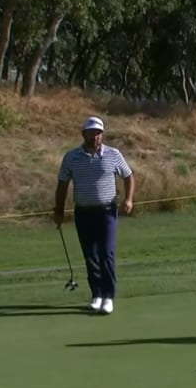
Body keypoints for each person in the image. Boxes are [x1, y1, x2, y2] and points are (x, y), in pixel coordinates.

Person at [54, 116, 135, 315]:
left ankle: (108, 296)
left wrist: (128, 199)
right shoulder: (71, 157)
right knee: (90, 255)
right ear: (84, 134)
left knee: (106, 253)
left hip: (107, 211)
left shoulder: (113, 155)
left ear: (102, 135)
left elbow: (128, 176)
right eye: (91, 133)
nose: (95, 137)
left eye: (98, 133)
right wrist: (58, 210)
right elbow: (62, 184)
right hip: (83, 212)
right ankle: (96, 295)